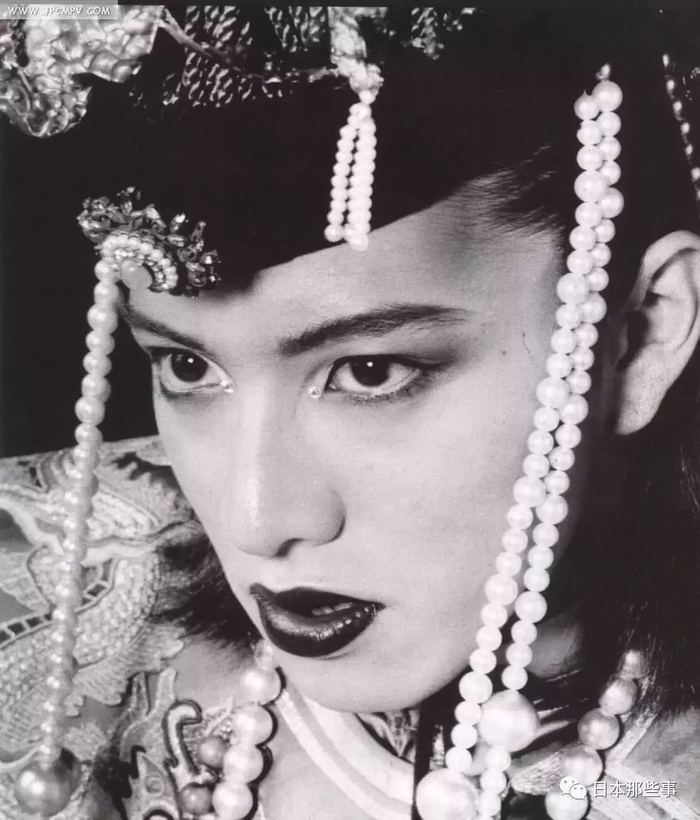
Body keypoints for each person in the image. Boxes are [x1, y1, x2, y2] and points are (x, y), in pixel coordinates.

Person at [0, 6, 699, 820]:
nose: (258, 521)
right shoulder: (55, 603)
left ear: (639, 338)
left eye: (369, 372)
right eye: (188, 367)